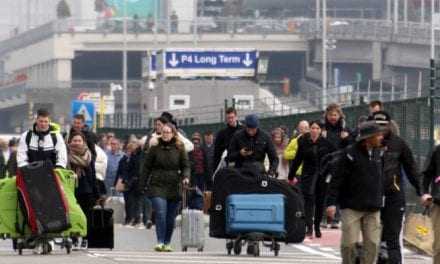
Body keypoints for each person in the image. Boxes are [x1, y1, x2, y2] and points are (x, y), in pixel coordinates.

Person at [326, 121, 386, 264]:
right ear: (368, 138)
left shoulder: (380, 153)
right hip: (351, 206)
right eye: (378, 135)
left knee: (372, 244)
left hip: (373, 207)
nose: (381, 137)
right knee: (349, 243)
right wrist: (331, 203)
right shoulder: (349, 154)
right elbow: (336, 179)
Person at [368, 111, 422, 264]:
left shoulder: (399, 143)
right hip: (370, 197)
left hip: (393, 195)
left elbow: (412, 169)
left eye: (383, 126)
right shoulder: (364, 144)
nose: (381, 129)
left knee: (392, 238)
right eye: (377, 126)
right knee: (373, 238)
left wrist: (422, 191)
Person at [138, 123, 190, 252]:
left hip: (174, 184)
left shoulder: (179, 147)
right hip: (157, 184)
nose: (166, 134)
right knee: (161, 213)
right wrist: (142, 184)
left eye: (168, 132)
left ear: (173, 134)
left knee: (170, 217)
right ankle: (160, 241)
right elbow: (146, 167)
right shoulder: (155, 148)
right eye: (164, 132)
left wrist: (186, 177)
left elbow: (185, 165)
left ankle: (167, 242)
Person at [288, 120, 335, 238]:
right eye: (312, 128)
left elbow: (333, 159)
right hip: (308, 175)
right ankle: (309, 227)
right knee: (308, 201)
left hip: (322, 176)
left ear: (321, 130)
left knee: (320, 202)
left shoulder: (327, 144)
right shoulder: (303, 142)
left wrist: (331, 173)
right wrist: (291, 175)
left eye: (317, 128)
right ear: (309, 129)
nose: (314, 130)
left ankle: (317, 226)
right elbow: (297, 159)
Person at [322, 103, 354, 229]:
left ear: (340, 115)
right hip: (327, 163)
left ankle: (336, 218)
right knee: (325, 189)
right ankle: (325, 217)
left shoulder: (346, 129)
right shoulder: (322, 129)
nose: (333, 117)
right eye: (330, 115)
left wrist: (346, 138)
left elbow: (352, 145)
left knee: (339, 190)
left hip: (341, 164)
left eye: (335, 115)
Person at [66, 131, 99, 249]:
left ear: (83, 142)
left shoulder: (88, 155)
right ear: (70, 142)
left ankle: (85, 238)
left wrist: (97, 193)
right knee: (72, 215)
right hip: (71, 189)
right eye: (74, 140)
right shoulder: (65, 156)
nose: (77, 143)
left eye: (79, 140)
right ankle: (74, 237)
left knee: (87, 215)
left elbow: (93, 174)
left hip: (87, 190)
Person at [421, 145, 440, 264]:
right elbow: (426, 173)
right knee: (438, 245)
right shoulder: (438, 150)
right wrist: (425, 193)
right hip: (439, 204)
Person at [188, 132, 208, 210]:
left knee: (200, 192)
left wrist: (208, 177)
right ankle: (191, 207)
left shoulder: (203, 151)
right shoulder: (189, 151)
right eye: (194, 140)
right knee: (192, 192)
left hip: (201, 175)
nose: (195, 142)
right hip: (192, 176)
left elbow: (206, 164)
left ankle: (199, 208)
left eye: (197, 140)